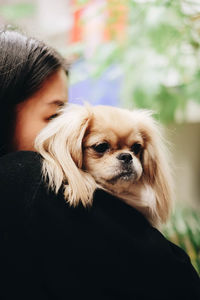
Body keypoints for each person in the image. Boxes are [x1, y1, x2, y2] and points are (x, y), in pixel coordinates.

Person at [0, 29, 200, 300]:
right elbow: (178, 282)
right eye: (55, 115)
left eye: (135, 149)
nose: (64, 131)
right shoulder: (33, 178)